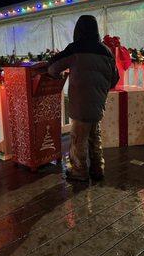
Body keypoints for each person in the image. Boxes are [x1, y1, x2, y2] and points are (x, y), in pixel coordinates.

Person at [48, 15, 119, 181]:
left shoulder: (76, 48)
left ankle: (79, 171)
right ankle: (98, 168)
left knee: (78, 138)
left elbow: (53, 68)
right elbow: (114, 79)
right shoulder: (106, 51)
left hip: (80, 102)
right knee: (95, 136)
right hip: (98, 101)